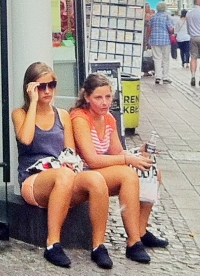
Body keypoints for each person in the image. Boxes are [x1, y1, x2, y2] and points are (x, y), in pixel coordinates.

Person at [13, 62, 112, 269]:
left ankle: (98, 246)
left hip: (61, 175)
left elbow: (69, 151)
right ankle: (52, 244)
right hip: (34, 180)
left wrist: (69, 163)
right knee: (63, 175)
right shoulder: (20, 113)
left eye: (51, 85)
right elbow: (26, 139)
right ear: (30, 88)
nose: (47, 91)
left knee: (96, 179)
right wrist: (33, 103)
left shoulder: (62, 115)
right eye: (41, 86)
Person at [70, 73, 163, 264]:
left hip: (101, 171)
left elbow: (118, 152)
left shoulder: (108, 118)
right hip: (81, 173)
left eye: (108, 96)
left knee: (153, 171)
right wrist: (128, 159)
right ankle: (132, 242)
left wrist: (139, 152)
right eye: (98, 97)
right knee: (127, 174)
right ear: (87, 97)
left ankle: (140, 230)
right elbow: (92, 159)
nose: (105, 102)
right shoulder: (80, 118)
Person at [146, 4, 174, 84]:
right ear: (165, 8)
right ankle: (165, 77)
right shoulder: (167, 17)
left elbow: (149, 28)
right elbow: (170, 29)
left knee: (157, 58)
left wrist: (148, 38)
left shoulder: (153, 17)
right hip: (165, 40)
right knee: (165, 59)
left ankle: (158, 77)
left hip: (154, 40)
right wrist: (172, 31)